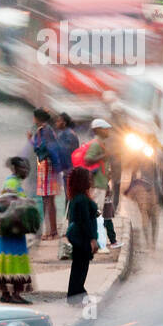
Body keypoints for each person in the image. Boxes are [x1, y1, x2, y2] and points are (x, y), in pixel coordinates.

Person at [0, 157, 34, 303]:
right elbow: (12, 203)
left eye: (27, 168)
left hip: (10, 229)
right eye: (24, 168)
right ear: (15, 169)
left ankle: (6, 294)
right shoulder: (12, 183)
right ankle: (15, 294)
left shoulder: (13, 181)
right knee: (15, 260)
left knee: (7, 260)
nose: (26, 171)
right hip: (12, 228)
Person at [82, 119, 121, 249]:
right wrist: (104, 156)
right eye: (105, 129)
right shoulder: (96, 144)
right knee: (95, 215)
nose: (107, 131)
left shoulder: (101, 143)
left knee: (101, 214)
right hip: (97, 185)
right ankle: (93, 242)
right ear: (98, 129)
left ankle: (99, 241)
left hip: (102, 184)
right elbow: (88, 159)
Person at [65, 165, 100, 301]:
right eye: (88, 179)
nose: (91, 181)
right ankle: (76, 295)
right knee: (81, 268)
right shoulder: (81, 200)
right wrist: (92, 240)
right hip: (82, 238)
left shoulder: (77, 198)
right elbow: (84, 221)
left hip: (78, 238)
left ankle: (76, 294)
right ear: (82, 181)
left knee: (78, 267)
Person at [29, 109, 60, 241]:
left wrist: (31, 140)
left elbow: (40, 148)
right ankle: (50, 231)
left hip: (46, 165)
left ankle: (51, 232)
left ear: (37, 118)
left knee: (48, 200)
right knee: (47, 200)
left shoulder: (43, 130)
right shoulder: (48, 130)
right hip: (48, 166)